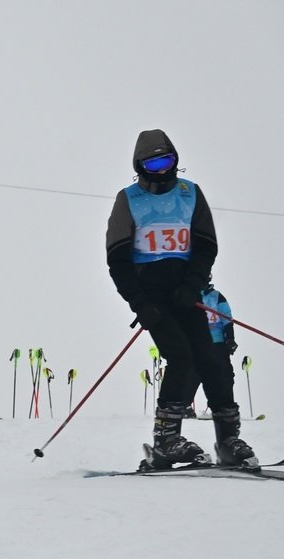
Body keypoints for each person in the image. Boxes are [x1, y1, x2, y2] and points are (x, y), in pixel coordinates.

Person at [106, 129, 257, 471]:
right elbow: (117, 257)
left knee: (211, 359)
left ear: (175, 160)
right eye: (152, 163)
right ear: (139, 166)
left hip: (187, 293)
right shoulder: (128, 199)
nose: (160, 169)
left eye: (166, 161)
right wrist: (139, 303)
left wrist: (194, 284)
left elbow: (206, 245)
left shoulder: (191, 194)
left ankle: (228, 438)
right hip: (153, 297)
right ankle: (166, 440)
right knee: (180, 356)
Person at [182, 283, 237, 416]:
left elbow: (227, 318)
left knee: (225, 374)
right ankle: (184, 405)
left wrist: (230, 338)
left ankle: (225, 406)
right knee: (193, 373)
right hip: (198, 342)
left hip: (218, 343)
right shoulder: (190, 296)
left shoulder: (216, 297)